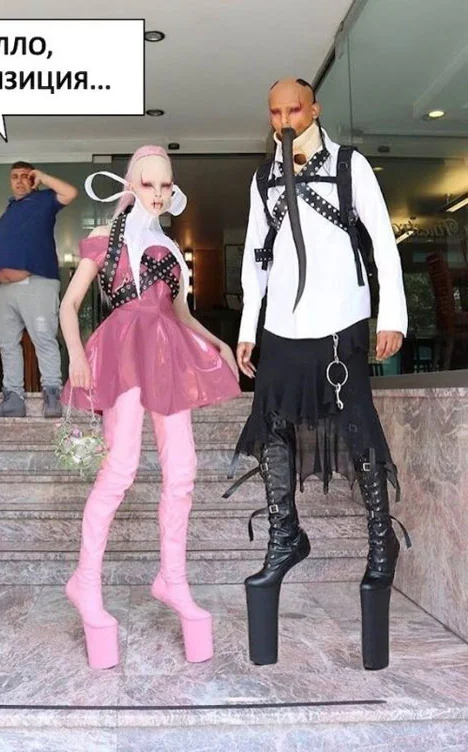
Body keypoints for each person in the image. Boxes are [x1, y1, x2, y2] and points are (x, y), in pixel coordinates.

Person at [229, 78, 410, 671]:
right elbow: (255, 258)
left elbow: (383, 241)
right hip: (282, 323)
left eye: (295, 109)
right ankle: (286, 534)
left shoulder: (351, 165)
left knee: (357, 429)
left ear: (315, 109)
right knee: (271, 427)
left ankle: (381, 542)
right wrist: (248, 328)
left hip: (340, 319)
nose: (285, 120)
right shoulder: (263, 178)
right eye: (275, 111)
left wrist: (393, 316)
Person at [59, 145, 241, 669]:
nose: (158, 194)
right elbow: (70, 305)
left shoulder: (169, 246)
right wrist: (76, 355)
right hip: (124, 353)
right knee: (120, 468)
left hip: (166, 356)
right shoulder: (107, 238)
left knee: (183, 469)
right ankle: (85, 582)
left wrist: (217, 342)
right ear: (132, 184)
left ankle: (173, 579)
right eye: (148, 183)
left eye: (165, 185)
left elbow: (180, 313)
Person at [0, 161, 78, 418]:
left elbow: (71, 193)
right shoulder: (9, 212)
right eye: (14, 176)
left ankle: (52, 397)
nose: (19, 180)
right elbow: (3, 242)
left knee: (43, 339)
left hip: (36, 283)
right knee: (6, 343)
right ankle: (13, 399)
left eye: (25, 176)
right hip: (6, 290)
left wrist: (43, 177)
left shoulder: (44, 201)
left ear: (33, 180)